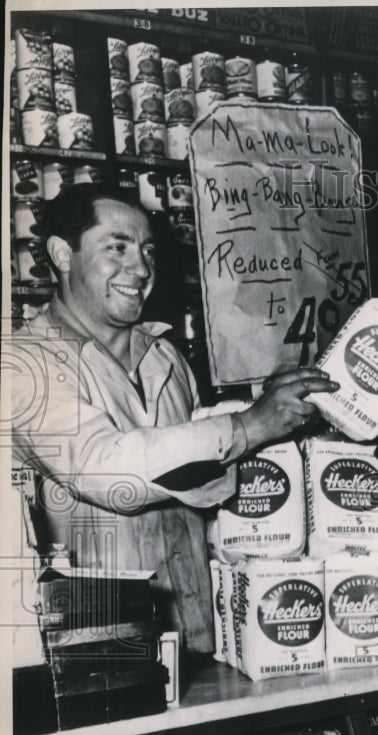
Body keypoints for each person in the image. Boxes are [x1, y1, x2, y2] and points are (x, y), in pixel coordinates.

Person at [10, 184, 338, 658]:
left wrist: (272, 406)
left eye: (147, 251)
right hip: (100, 656)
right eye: (116, 248)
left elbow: (201, 477)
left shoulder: (164, 355)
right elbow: (107, 470)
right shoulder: (25, 363)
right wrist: (247, 426)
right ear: (63, 254)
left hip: (199, 639)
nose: (141, 269)